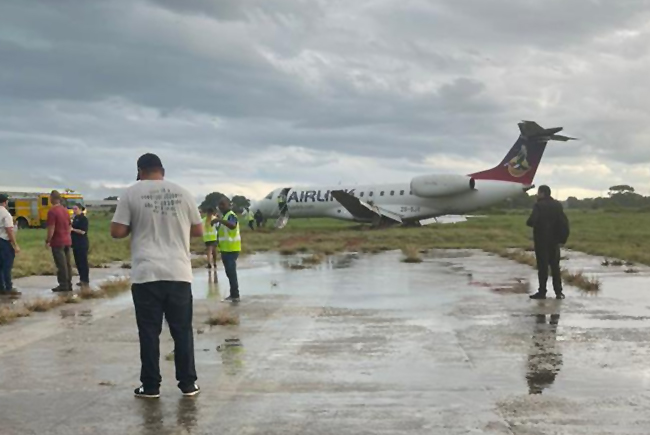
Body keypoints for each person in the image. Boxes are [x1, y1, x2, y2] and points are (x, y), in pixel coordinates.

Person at [111, 153, 203, 399]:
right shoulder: (183, 192)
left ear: (140, 171)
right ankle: (188, 383)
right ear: (162, 170)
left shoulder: (131, 193)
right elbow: (198, 230)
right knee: (182, 330)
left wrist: (137, 224)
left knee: (149, 332)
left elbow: (117, 231)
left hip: (146, 273)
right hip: (179, 272)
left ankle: (150, 385)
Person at [527, 185, 568, 300]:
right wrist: (562, 239)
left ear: (542, 193)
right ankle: (558, 292)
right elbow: (564, 223)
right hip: (554, 241)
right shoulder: (557, 205)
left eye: (538, 193)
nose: (537, 195)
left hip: (541, 241)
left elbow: (531, 221)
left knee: (543, 268)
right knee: (555, 267)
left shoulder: (538, 205)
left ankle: (542, 291)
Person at [46, 190, 73, 293]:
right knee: (67, 263)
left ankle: (63, 285)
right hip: (67, 240)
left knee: (61, 264)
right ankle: (69, 283)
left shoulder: (52, 211)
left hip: (58, 241)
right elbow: (70, 225)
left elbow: (51, 227)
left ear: (52, 198)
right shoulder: (65, 210)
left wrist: (48, 240)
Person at [217, 198, 241, 303]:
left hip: (231, 249)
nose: (221, 207)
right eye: (220, 205)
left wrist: (219, 220)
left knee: (231, 272)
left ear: (228, 205)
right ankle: (233, 293)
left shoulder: (231, 215)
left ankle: (235, 295)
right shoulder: (224, 216)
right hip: (225, 249)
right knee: (229, 273)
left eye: (223, 204)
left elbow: (232, 225)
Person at [0, 194, 20, 295]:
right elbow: (9, 230)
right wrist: (15, 244)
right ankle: (8, 287)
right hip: (4, 241)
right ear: (5, 202)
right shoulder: (6, 214)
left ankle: (1, 287)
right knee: (7, 265)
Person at [71, 205, 90, 287]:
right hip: (75, 243)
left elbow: (83, 232)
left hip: (82, 243)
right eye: (73, 209)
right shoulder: (75, 218)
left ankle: (85, 279)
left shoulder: (83, 219)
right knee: (78, 262)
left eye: (75, 209)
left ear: (80, 209)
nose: (74, 210)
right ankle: (81, 279)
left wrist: (73, 230)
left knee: (83, 262)